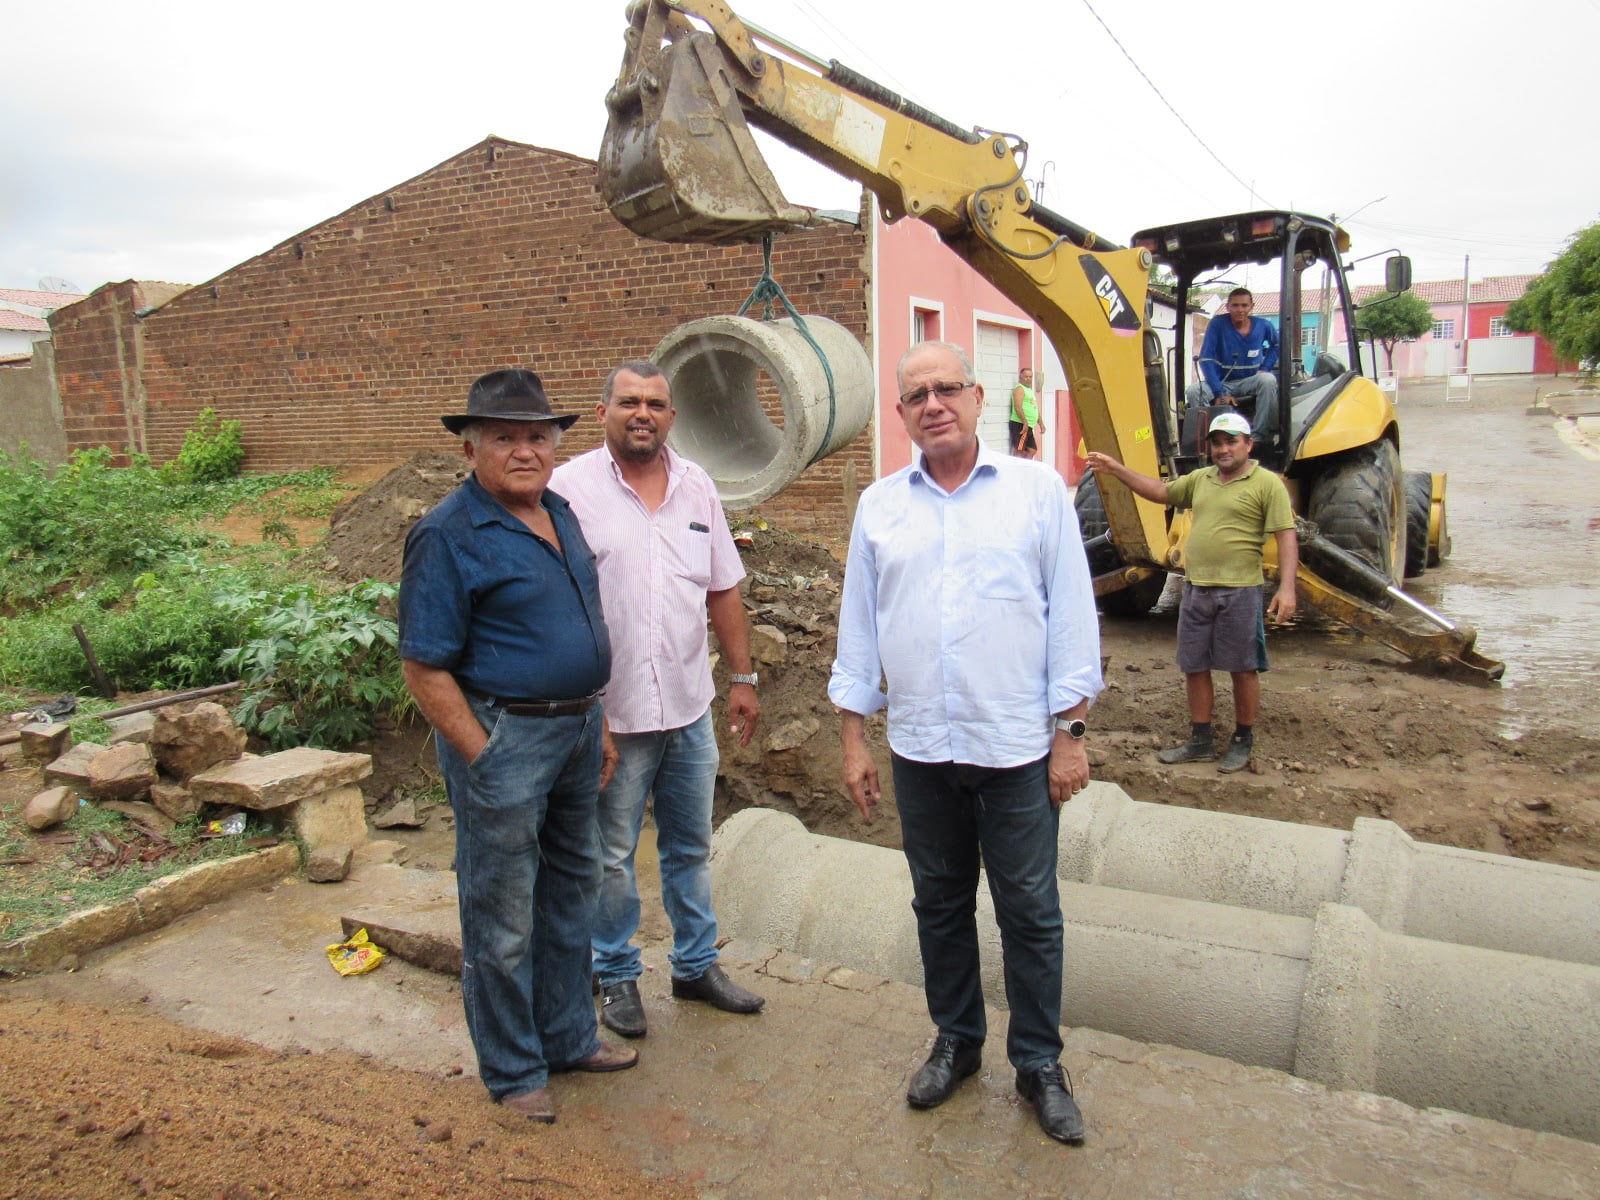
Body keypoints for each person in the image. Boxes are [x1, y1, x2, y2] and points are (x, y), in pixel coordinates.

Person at [829, 340, 1102, 1146]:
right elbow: (858, 632)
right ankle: (956, 1041)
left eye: (948, 388)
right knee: (939, 905)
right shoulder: (880, 506)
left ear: (980, 398)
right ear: (902, 412)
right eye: (917, 394)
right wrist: (855, 739)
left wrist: (1071, 735)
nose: (934, 403)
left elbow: (1073, 619)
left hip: (1017, 748)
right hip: (921, 750)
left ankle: (1039, 1063)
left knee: (1029, 911)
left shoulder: (1036, 492)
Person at [399, 367, 637, 1125]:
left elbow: (576, 628)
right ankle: (512, 1069)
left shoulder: (559, 513)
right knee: (500, 915)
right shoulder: (447, 534)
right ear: (472, 449)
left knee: (571, 894)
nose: (525, 451)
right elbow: (423, 665)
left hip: (573, 730)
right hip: (505, 738)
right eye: (506, 437)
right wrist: (483, 754)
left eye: (538, 436)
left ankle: (568, 1036)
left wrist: (593, 720)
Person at [552, 360, 766, 1040]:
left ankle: (695, 966)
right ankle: (615, 974)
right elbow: (553, 602)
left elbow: (723, 587)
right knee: (611, 853)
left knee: (689, 845)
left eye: (655, 403)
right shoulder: (568, 489)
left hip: (688, 706)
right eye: (628, 402)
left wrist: (742, 678)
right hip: (611, 714)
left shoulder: (698, 486)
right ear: (602, 410)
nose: (642, 413)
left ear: (672, 417)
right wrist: (587, 707)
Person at [1085, 410, 1298, 774]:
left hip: (1240, 592)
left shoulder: (1267, 484)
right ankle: (1200, 740)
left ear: (1249, 444)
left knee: (1243, 668)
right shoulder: (1202, 479)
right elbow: (1161, 491)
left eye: (1231, 442)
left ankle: (1242, 739)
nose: (1223, 449)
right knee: (1195, 666)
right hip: (1196, 589)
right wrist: (1118, 470)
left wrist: (1288, 589)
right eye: (1217, 443)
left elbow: (1286, 536)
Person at [1186, 288, 1280, 444]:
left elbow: (1276, 345)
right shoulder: (1217, 324)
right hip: (1222, 382)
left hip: (1249, 381)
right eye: (1235, 305)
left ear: (1251, 307)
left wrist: (1266, 367)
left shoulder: (1263, 326)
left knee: (1268, 380)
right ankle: (1211, 441)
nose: (1240, 310)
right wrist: (1219, 392)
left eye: (1244, 305)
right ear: (1228, 307)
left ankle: (1258, 437)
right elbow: (1206, 358)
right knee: (1194, 391)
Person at [1009, 366, 1045, 458]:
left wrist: (1041, 423)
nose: (1028, 379)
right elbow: (1018, 407)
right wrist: (1024, 422)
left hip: (1029, 426)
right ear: (1020, 377)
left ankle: (1025, 468)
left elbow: (1034, 408)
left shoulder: (1029, 390)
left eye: (1030, 377)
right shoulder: (1019, 389)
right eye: (1026, 377)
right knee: (1019, 450)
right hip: (1020, 424)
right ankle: (1016, 469)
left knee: (1032, 450)